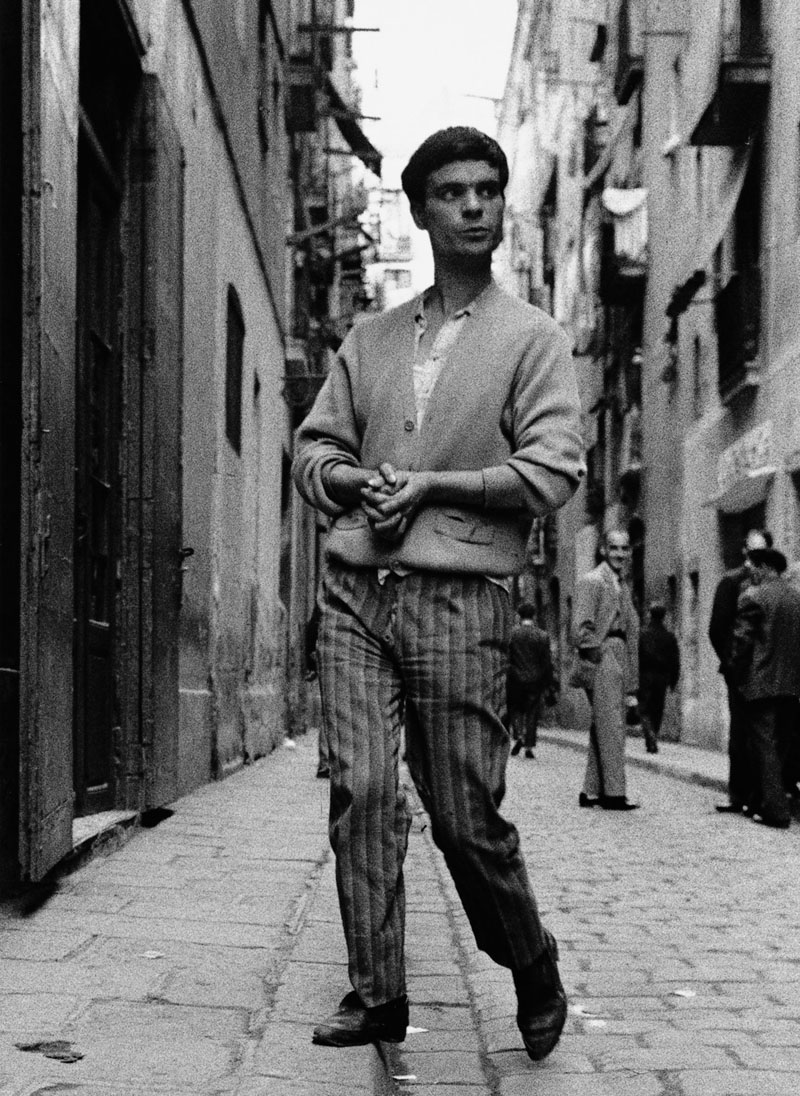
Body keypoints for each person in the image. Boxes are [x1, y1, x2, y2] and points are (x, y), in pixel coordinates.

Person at [292, 126, 584, 1059]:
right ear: (420, 210)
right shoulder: (370, 338)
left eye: (488, 191)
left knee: (463, 812)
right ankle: (378, 994)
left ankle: (529, 957)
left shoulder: (532, 339)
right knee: (364, 787)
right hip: (355, 591)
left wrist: (434, 487)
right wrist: (349, 481)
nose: (472, 206)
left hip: (461, 598)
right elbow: (314, 446)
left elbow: (551, 470)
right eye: (453, 192)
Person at [728, 547, 800, 828]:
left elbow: (742, 641)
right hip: (791, 686)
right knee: (780, 745)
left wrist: (735, 672)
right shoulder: (796, 598)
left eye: (753, 567)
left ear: (764, 568)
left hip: (760, 683)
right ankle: (761, 801)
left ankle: (776, 810)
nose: (751, 572)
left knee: (764, 746)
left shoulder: (753, 597)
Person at [571, 529, 640, 810]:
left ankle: (591, 791)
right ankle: (614, 794)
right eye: (614, 548)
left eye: (624, 549)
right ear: (603, 550)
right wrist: (595, 649)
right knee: (612, 723)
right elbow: (579, 627)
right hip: (605, 653)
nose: (619, 554)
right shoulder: (593, 581)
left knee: (605, 722)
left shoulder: (619, 583)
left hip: (618, 653)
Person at [708, 528, 771, 814]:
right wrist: (732, 664)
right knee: (740, 734)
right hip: (740, 670)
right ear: (744, 550)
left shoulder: (770, 583)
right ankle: (738, 794)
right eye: (752, 550)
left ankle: (759, 793)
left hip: (765, 671)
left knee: (763, 735)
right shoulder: (731, 582)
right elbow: (717, 628)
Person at [507, 602, 556, 760]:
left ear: (519, 615)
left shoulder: (511, 634)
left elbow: (506, 657)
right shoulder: (542, 635)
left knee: (515, 709)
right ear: (534, 616)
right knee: (532, 713)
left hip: (515, 679)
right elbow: (546, 662)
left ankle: (519, 735)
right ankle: (528, 745)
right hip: (535, 680)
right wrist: (549, 683)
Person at [638, 602, 680, 754]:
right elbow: (675, 660)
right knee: (657, 708)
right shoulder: (669, 637)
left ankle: (650, 734)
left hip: (645, 676)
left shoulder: (643, 635)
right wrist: (674, 680)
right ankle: (653, 733)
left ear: (650, 614)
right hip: (662, 677)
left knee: (644, 709)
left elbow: (636, 658)